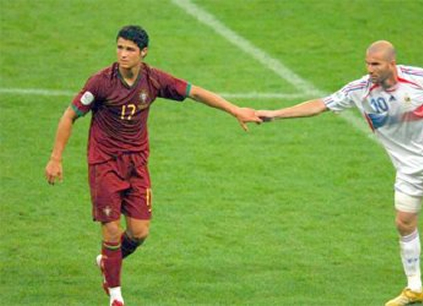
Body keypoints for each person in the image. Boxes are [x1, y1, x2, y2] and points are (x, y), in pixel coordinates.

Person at [44, 25, 262, 306]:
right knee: (111, 230)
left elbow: (194, 92)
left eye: (130, 49)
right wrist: (55, 157)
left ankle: (108, 262)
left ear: (143, 53)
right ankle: (115, 296)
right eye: (120, 47)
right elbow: (69, 115)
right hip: (105, 163)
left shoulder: (154, 79)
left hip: (137, 164)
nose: (123, 54)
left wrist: (234, 110)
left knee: (139, 232)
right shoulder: (100, 82)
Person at [257, 40, 423, 306]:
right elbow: (320, 105)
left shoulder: (420, 79)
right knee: (404, 223)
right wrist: (274, 114)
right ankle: (414, 288)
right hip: (407, 167)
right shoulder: (360, 91)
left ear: (391, 64)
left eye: (375, 64)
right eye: (367, 63)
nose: (369, 69)